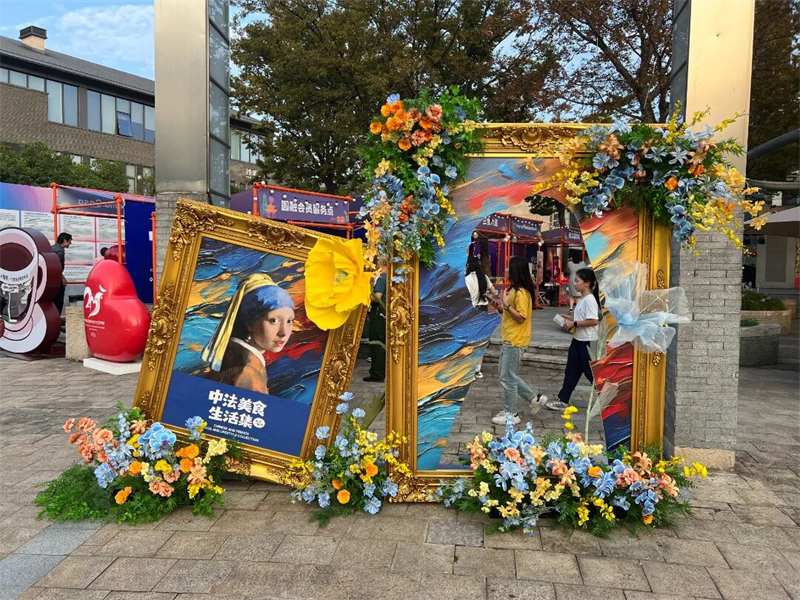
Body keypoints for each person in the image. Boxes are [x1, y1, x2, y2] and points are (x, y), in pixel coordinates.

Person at [203, 273, 295, 394]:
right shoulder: (247, 374)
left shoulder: (232, 354)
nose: (283, 333)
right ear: (250, 324)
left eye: (289, 321)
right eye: (274, 320)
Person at [491, 256, 547, 425]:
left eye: (509, 267)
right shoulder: (514, 290)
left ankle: (511, 414)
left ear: (516, 270)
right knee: (506, 374)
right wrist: (500, 306)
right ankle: (534, 398)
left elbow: (521, 317)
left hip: (515, 340)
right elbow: (509, 314)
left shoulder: (521, 292)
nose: (506, 270)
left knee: (507, 377)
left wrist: (506, 305)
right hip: (509, 337)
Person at [546, 268, 600, 412]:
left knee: (592, 374)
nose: (574, 283)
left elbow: (594, 321)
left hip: (587, 342)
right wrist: (569, 318)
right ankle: (563, 399)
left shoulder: (590, 300)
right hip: (577, 340)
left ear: (587, 283)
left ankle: (608, 399)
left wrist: (574, 323)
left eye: (577, 281)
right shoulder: (581, 299)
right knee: (571, 372)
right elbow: (582, 318)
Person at [465, 255, 497, 379]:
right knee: (481, 341)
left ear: (468, 265)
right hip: (483, 310)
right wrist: (485, 295)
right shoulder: (484, 277)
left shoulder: (466, 279)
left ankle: (469, 370)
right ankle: (478, 370)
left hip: (471, 311)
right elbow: (493, 291)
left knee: (470, 341)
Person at [364, 266, 387, 382]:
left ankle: (376, 374)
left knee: (376, 342)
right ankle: (383, 371)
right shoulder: (392, 277)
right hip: (386, 312)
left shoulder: (382, 278)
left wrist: (365, 296)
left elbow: (377, 297)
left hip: (378, 311)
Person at [50, 232, 72, 315]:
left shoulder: (51, 248)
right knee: (58, 301)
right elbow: (57, 267)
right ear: (65, 241)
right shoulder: (60, 251)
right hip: (56, 280)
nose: (70, 243)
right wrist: (62, 278)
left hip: (49, 279)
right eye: (70, 241)